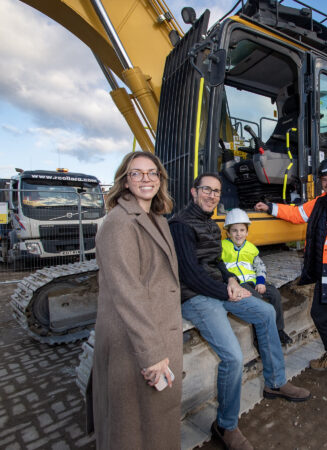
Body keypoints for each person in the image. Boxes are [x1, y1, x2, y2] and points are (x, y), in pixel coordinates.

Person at [169, 173, 310, 450]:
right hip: (196, 296)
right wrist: (226, 291)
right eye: (206, 190)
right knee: (232, 357)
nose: (212, 195)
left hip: (220, 288)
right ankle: (225, 425)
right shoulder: (180, 225)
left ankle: (275, 382)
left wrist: (231, 279)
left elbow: (216, 262)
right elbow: (189, 273)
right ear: (193, 191)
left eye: (217, 191)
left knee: (266, 313)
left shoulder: (210, 224)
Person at [254, 158, 327, 389]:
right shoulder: (319, 203)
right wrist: (270, 207)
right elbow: (296, 214)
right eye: (324, 179)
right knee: (319, 315)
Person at [92, 152, 182, 449]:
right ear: (125, 182)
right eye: (137, 173)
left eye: (152, 173)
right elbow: (126, 291)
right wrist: (152, 352)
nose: (146, 179)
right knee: (131, 428)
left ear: (160, 179)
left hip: (152, 330)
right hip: (135, 341)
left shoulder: (156, 218)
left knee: (152, 423)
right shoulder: (119, 223)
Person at [221, 208, 293, 346]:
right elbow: (219, 267)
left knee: (275, 294)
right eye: (234, 231)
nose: (238, 234)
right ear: (228, 232)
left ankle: (279, 330)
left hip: (253, 282)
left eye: (242, 230)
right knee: (257, 301)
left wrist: (261, 281)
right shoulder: (223, 247)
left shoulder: (251, 248)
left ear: (247, 232)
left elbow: (260, 266)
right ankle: (259, 338)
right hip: (239, 284)